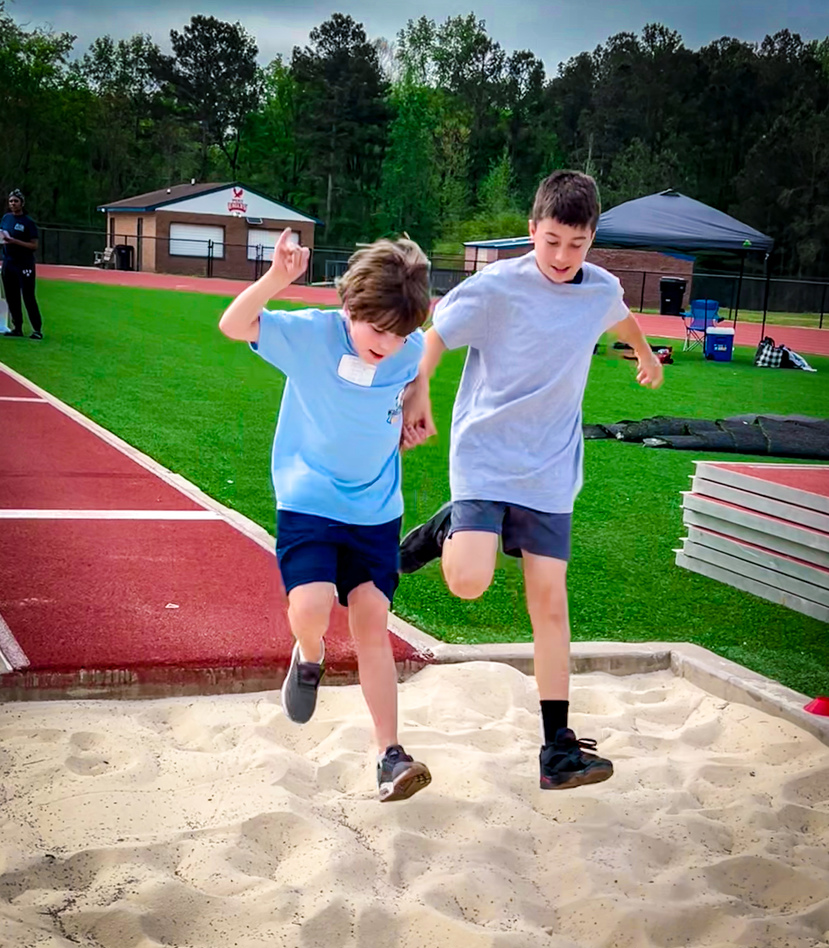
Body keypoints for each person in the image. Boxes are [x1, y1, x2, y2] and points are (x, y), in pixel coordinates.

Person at [400, 170, 665, 791]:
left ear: (592, 239)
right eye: (550, 241)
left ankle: (557, 750)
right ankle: (443, 527)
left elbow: (621, 320)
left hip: (550, 467)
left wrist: (646, 355)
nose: (561, 257)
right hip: (486, 454)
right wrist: (419, 393)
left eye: (575, 245)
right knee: (468, 581)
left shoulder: (599, 289)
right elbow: (435, 336)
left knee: (550, 604)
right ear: (531, 230)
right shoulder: (495, 288)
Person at [219, 229, 433, 802]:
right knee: (311, 608)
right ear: (349, 306)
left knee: (371, 621)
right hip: (310, 498)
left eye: (400, 333)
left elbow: (420, 356)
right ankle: (308, 654)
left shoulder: (406, 347)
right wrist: (275, 280)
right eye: (378, 330)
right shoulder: (312, 336)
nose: (388, 344)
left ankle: (389, 755)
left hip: (376, 510)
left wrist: (421, 394)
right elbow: (234, 326)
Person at [1, 189, 43, 339]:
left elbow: (34, 246)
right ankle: (16, 327)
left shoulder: (28, 222)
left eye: (16, 201)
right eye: (11, 201)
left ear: (22, 203)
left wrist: (14, 241)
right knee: (11, 296)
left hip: (24, 264)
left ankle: (36, 329)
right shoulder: (6, 218)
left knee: (28, 296)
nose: (13, 204)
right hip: (8, 262)